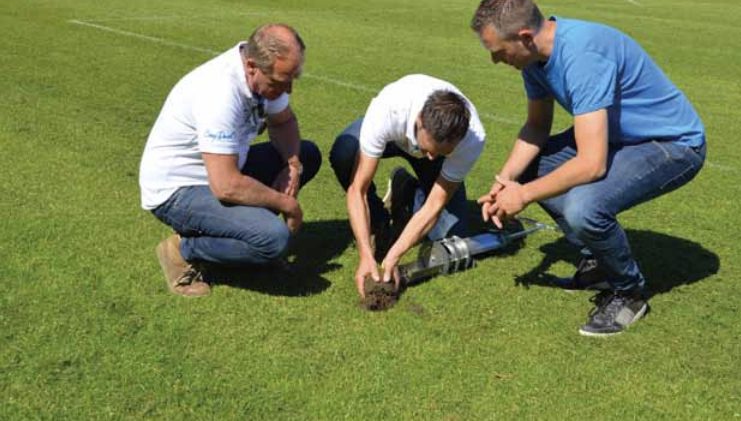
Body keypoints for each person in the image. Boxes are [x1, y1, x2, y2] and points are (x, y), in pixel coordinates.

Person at [470, 0, 706, 337]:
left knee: (585, 208)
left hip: (672, 143)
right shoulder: (533, 61)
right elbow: (536, 128)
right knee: (529, 169)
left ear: (524, 37)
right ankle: (597, 263)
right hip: (618, 137)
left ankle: (629, 293)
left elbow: (591, 164)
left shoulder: (582, 56)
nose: (495, 60)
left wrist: (523, 195)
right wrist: (506, 180)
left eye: (498, 51)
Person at [139, 23, 321, 297]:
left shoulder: (264, 78)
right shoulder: (219, 93)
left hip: (223, 170)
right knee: (274, 240)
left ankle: (244, 234)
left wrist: (292, 165)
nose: (289, 90)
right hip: (178, 190)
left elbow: (284, 122)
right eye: (280, 82)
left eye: (292, 79)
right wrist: (287, 205)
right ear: (251, 66)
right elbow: (226, 186)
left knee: (306, 154)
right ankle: (182, 249)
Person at [328, 74, 485, 299]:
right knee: (345, 152)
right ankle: (378, 221)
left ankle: (408, 193)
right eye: (428, 149)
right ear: (420, 120)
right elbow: (357, 190)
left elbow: (434, 206)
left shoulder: (472, 139)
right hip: (394, 135)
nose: (431, 157)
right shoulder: (389, 110)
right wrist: (365, 254)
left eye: (441, 152)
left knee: (452, 239)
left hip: (423, 142)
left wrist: (394, 255)